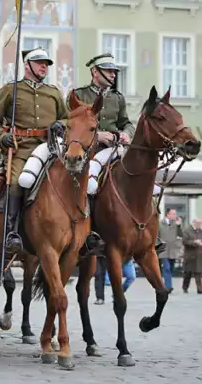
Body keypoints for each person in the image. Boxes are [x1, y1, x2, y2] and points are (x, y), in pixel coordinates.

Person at [0, 46, 67, 254]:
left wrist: (62, 124)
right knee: (17, 180)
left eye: (46, 64)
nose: (44, 67)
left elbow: (67, 117)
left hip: (50, 147)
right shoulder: (11, 90)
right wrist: (2, 137)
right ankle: (12, 232)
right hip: (21, 148)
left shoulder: (54, 92)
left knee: (75, 177)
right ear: (27, 65)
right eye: (40, 63)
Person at [72, 53, 134, 255]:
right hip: (88, 151)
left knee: (140, 178)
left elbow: (126, 122)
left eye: (114, 72)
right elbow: (70, 124)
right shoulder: (79, 96)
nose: (113, 75)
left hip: (116, 150)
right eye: (109, 71)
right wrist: (97, 135)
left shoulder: (118, 98)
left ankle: (143, 230)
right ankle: (89, 231)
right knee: (89, 185)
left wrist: (126, 134)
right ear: (95, 72)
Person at [157, 208, 183, 292]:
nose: (175, 216)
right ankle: (168, 286)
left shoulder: (176, 224)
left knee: (171, 268)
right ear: (168, 214)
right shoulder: (160, 223)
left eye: (175, 214)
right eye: (173, 214)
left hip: (173, 250)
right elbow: (156, 236)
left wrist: (179, 225)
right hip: (163, 250)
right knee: (166, 268)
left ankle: (166, 284)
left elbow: (181, 235)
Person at [181, 217, 202, 294]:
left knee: (198, 272)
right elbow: (184, 241)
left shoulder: (201, 231)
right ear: (194, 223)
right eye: (198, 223)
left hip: (199, 255)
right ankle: (185, 287)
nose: (199, 225)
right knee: (188, 273)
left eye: (200, 224)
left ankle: (200, 289)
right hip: (190, 255)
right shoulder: (187, 230)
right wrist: (194, 242)